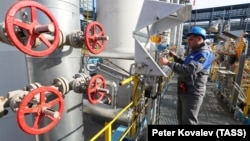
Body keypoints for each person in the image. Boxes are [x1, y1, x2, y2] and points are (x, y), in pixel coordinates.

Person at [159, 27, 214, 125]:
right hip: (185, 89)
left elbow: (190, 69)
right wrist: (176, 57)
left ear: (200, 39)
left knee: (189, 121)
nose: (188, 42)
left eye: (191, 39)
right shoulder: (195, 52)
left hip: (193, 92)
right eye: (188, 40)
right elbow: (186, 64)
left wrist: (169, 64)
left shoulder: (204, 54)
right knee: (181, 118)